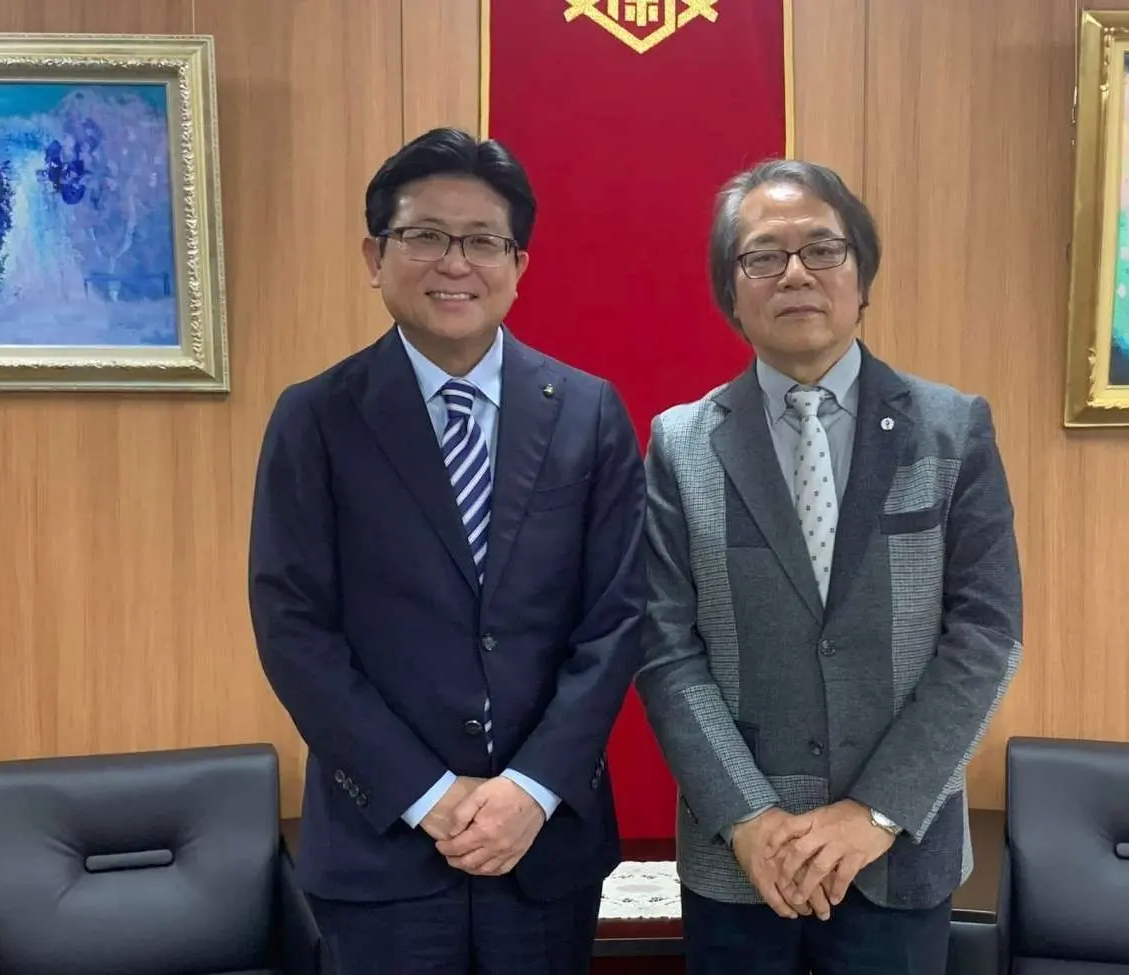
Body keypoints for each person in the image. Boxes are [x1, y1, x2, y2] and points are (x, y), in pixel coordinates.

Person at [248, 127, 647, 974]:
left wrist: (529, 789)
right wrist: (427, 796)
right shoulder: (315, 418)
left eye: (482, 241)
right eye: (425, 235)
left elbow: (618, 618)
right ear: (375, 254)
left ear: (519, 263)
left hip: (543, 847)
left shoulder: (588, 411)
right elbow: (294, 629)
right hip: (381, 847)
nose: (454, 263)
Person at [634, 159, 1023, 975]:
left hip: (898, 852)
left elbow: (986, 635)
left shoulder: (952, 429)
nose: (796, 273)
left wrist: (876, 811)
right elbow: (664, 649)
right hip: (742, 861)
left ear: (862, 275)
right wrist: (748, 816)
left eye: (822, 248)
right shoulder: (679, 444)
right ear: (731, 290)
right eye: (763, 255)